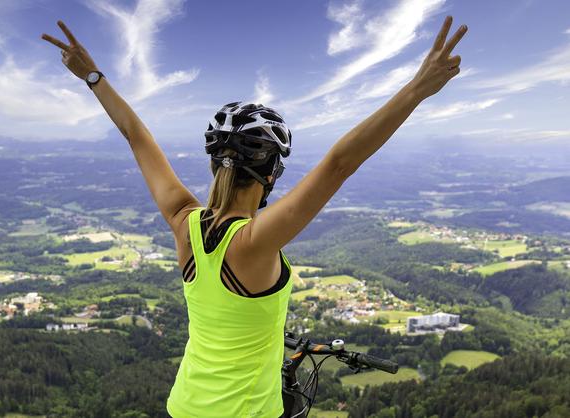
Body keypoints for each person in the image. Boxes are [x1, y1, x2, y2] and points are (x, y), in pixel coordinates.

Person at [42, 14, 467, 418]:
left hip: (185, 405)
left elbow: (137, 138)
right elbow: (340, 163)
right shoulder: (253, 243)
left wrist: (93, 78)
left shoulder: (184, 222)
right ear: (271, 174)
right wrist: (416, 89)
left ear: (214, 164)